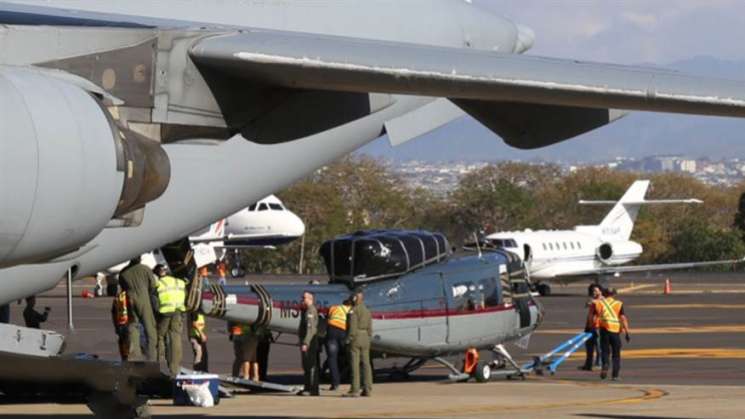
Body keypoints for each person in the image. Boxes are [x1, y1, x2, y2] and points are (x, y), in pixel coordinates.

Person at [119, 257, 158, 361]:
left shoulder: (124, 271)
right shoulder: (145, 269)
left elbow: (122, 286)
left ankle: (134, 355)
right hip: (143, 297)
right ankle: (152, 357)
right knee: (150, 328)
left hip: (130, 298)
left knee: (132, 326)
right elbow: (153, 285)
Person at [589, 288, 631, 381]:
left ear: (604, 293)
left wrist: (593, 327)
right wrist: (627, 332)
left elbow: (593, 317)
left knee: (605, 351)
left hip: (604, 330)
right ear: (614, 294)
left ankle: (605, 365)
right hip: (615, 331)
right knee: (616, 354)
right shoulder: (618, 304)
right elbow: (623, 318)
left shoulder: (599, 303)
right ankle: (615, 375)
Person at [154, 264, 187, 376]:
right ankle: (175, 367)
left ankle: (160, 361)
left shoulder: (159, 283)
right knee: (176, 338)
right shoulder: (180, 282)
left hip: (165, 312)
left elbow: (155, 299)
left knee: (160, 336)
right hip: (178, 311)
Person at [344, 289, 373, 397]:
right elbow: (370, 327)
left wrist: (348, 339)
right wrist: (368, 336)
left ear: (355, 298)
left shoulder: (354, 310)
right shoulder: (367, 310)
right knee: (366, 364)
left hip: (356, 337)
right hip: (365, 337)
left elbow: (352, 327)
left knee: (354, 364)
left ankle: (355, 389)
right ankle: (367, 388)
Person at [325, 298, 352, 390]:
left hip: (332, 331)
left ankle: (335, 383)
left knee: (332, 358)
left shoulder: (334, 308)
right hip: (343, 332)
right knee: (348, 355)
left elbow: (328, 317)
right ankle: (352, 378)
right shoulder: (350, 309)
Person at [298, 291, 320, 396]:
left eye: (304, 298)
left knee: (310, 366)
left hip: (310, 343)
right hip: (307, 342)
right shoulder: (306, 310)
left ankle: (312, 389)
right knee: (306, 365)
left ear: (310, 299)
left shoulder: (310, 311)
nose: (302, 299)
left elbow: (310, 329)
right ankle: (308, 388)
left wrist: (306, 343)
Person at [579, 284, 603, 371]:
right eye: (593, 291)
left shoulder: (602, 300)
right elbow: (587, 306)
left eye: (596, 290)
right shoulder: (593, 300)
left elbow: (601, 309)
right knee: (589, 346)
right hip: (589, 325)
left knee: (599, 346)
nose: (594, 292)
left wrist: (594, 302)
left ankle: (599, 364)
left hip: (597, 326)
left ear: (600, 291)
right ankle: (588, 364)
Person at [111, 286, 130, 361]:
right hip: (129, 323)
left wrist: (116, 326)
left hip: (120, 323)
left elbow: (113, 312)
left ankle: (124, 358)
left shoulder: (118, 296)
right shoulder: (132, 295)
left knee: (122, 342)